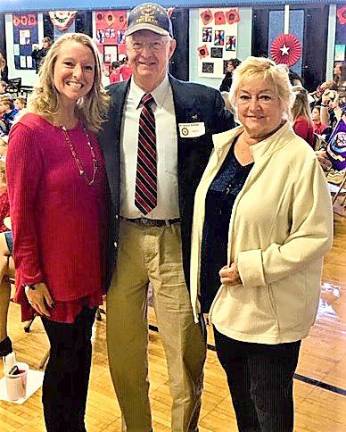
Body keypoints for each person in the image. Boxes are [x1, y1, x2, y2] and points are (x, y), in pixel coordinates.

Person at [98, 3, 234, 431]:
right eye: (138, 42)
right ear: (125, 46)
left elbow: (241, 157)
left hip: (178, 240)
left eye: (155, 42)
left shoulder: (203, 102)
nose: (145, 52)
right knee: (123, 353)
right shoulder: (104, 105)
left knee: (186, 355)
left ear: (171, 47)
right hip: (122, 241)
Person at [189, 56, 333, 432]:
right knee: (243, 406)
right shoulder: (224, 147)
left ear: (285, 103)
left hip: (271, 312)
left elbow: (316, 236)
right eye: (246, 96)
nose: (254, 107)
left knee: (270, 409)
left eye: (266, 97)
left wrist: (254, 268)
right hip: (226, 306)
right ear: (234, 101)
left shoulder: (298, 159)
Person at [6, 32, 109, 432]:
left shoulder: (87, 125)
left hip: (87, 268)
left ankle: (75, 426)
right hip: (52, 274)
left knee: (79, 356)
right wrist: (31, 277)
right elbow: (21, 211)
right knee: (66, 357)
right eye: (69, 64)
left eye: (87, 67)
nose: (77, 74)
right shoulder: (28, 131)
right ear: (51, 67)